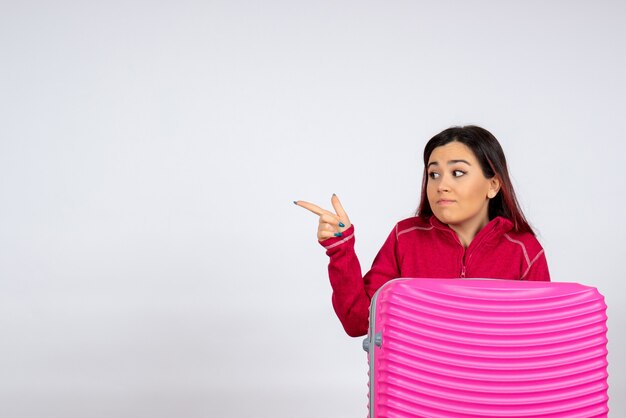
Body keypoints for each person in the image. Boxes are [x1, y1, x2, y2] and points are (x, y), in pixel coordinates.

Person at [295, 126, 550, 337]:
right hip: (415, 392)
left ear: (493, 185)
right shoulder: (405, 238)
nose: (442, 185)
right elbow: (358, 322)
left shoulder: (524, 250)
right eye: (434, 173)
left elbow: (540, 339)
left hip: (493, 393)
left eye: (457, 172)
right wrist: (341, 250)